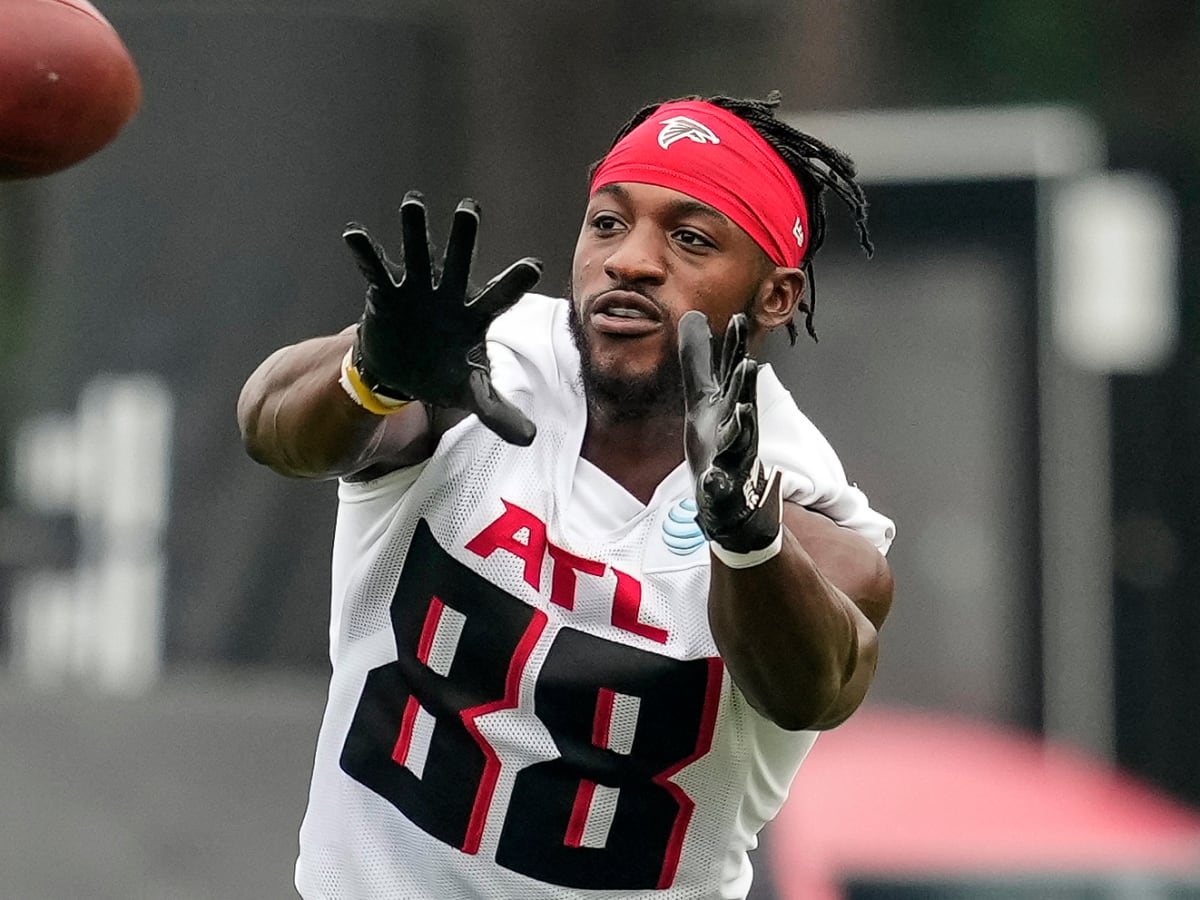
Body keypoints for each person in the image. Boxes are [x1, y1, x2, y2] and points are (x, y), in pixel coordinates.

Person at [238, 91, 896, 900]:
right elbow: (268, 423)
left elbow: (817, 690)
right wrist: (368, 376)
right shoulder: (482, 370)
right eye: (609, 223)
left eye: (689, 238)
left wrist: (745, 536)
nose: (631, 261)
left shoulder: (796, 502)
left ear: (775, 296)